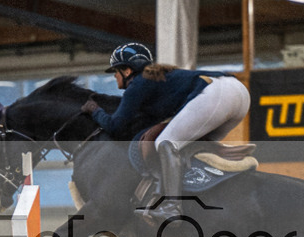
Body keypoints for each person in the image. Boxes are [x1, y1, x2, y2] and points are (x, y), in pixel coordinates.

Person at [81, 42, 251, 224]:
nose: (115, 76)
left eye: (116, 71)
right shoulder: (156, 80)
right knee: (188, 145)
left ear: (127, 71)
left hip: (218, 94)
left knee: (166, 143)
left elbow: (116, 127)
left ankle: (172, 207)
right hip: (240, 95)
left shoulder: (138, 84)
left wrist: (95, 111)